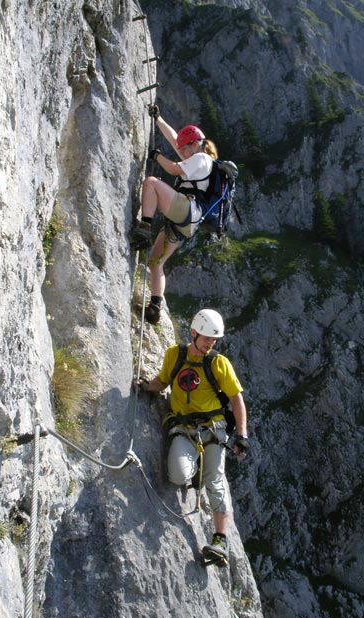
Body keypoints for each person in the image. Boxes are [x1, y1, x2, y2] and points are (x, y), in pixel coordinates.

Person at [135, 309, 249, 561]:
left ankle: (220, 540)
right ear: (194, 333)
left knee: (214, 480)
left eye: (214, 339)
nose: (211, 343)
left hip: (213, 428)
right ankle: (194, 469)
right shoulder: (175, 354)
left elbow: (236, 400)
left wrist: (242, 435)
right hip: (183, 427)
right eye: (208, 337)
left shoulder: (219, 363)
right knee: (177, 476)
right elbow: (163, 381)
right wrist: (145, 386)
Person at [131, 104, 218, 325]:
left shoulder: (202, 159)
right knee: (155, 262)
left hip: (187, 209)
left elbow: (172, 169)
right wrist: (159, 119)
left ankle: (145, 226)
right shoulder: (196, 158)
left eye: (185, 148)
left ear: (195, 144)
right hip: (186, 223)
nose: (182, 151)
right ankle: (155, 308)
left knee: (151, 183)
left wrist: (156, 156)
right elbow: (175, 141)